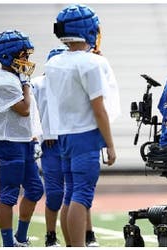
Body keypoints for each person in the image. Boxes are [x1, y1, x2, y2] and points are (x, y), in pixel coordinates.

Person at [44, 4, 120, 247]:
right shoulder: (91, 63)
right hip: (84, 135)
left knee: (70, 194)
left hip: (64, 134)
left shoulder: (54, 62)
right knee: (82, 195)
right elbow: (99, 108)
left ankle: (70, 244)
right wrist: (110, 145)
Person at [31, 46, 99, 247]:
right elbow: (31, 114)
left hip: (74, 140)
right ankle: (51, 235)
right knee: (54, 194)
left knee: (78, 191)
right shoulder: (38, 85)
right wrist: (44, 134)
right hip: (51, 147)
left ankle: (88, 234)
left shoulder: (76, 84)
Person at [0, 29, 44, 247]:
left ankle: (20, 237)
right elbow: (24, 109)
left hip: (24, 142)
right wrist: (26, 82)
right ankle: (8, 243)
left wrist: (34, 138)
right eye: (23, 55)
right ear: (8, 56)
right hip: (9, 143)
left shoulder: (13, 78)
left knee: (36, 189)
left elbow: (29, 118)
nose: (27, 60)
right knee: (9, 195)